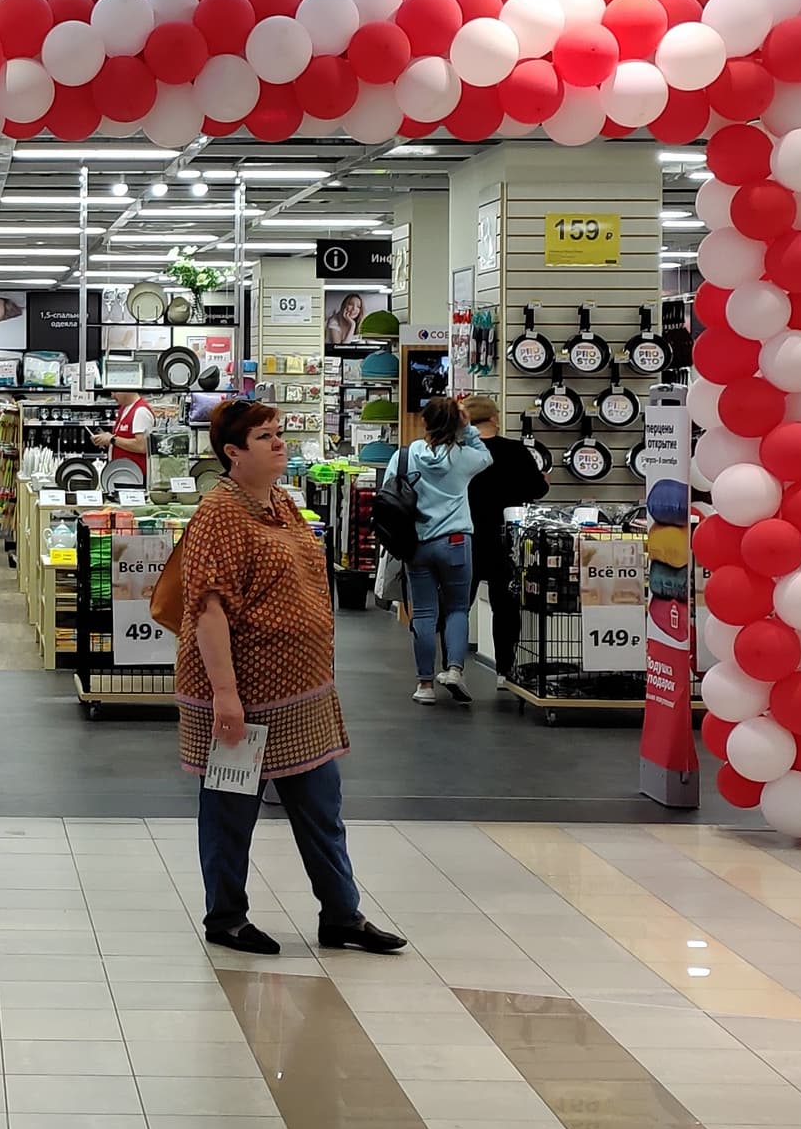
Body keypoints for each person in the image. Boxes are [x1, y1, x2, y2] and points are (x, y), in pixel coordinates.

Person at [177, 398, 404, 958]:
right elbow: (207, 610)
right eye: (264, 437)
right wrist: (225, 695)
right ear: (233, 452)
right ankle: (226, 917)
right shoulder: (218, 514)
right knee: (230, 812)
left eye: (278, 432)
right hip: (243, 698)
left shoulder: (281, 501)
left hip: (302, 696)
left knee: (322, 809)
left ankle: (342, 915)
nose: (279, 442)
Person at [382, 395, 490, 705]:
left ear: (424, 421)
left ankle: (425, 684)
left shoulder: (406, 456)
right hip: (456, 542)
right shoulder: (464, 457)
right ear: (457, 423)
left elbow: (388, 491)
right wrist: (467, 429)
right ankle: (454, 670)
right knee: (457, 608)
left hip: (417, 543)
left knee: (424, 613)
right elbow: (486, 456)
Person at [462, 393, 548, 684]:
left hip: (467, 536)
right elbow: (537, 490)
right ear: (494, 418)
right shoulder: (515, 451)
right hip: (507, 539)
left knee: (459, 606)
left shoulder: (461, 452)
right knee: (505, 606)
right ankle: (505, 670)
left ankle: (452, 666)